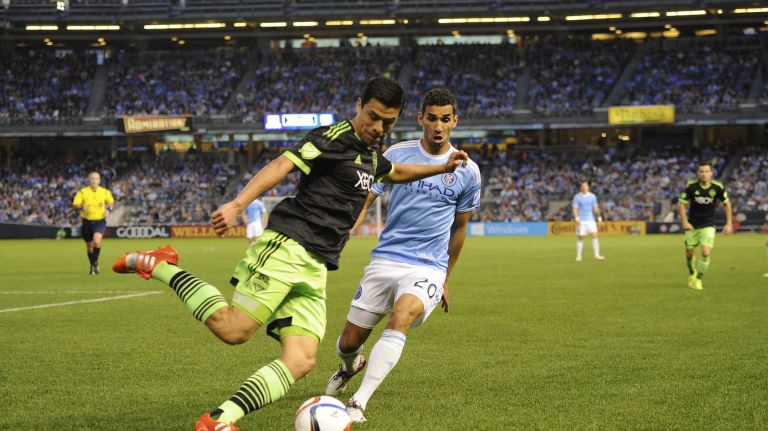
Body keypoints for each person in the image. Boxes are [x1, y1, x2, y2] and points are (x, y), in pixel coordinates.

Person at [111, 78, 469, 431]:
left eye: (388, 122)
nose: (379, 128)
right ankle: (158, 265)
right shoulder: (332, 137)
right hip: (288, 245)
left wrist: (443, 167)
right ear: (359, 105)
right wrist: (238, 204)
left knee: (301, 360)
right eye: (373, 117)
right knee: (234, 329)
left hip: (316, 265)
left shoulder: (372, 154)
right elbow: (283, 165)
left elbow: (397, 171)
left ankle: (218, 421)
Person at [325, 88, 481, 423]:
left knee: (401, 318)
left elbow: (460, 229)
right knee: (347, 342)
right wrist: (350, 227)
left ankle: (358, 402)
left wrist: (445, 279)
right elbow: (370, 193)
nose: (438, 126)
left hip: (428, 267)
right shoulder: (398, 153)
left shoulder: (469, 171)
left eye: (445, 119)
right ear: (421, 118)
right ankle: (350, 366)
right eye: (432, 118)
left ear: (454, 121)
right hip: (386, 258)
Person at [678, 161, 733, 290]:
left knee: (706, 252)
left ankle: (699, 279)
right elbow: (681, 204)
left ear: (711, 173)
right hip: (692, 225)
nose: (704, 174)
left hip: (708, 225)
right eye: (701, 171)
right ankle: (692, 273)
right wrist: (685, 222)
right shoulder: (691, 187)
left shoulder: (717, 187)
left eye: (706, 171)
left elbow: (727, 204)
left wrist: (729, 223)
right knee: (690, 253)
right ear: (698, 173)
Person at [72, 171, 115, 275]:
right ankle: (93, 265)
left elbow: (111, 202)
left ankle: (94, 264)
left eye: (96, 179)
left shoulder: (104, 192)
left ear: (99, 180)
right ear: (89, 180)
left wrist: (108, 210)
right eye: (92, 179)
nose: (94, 181)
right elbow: (75, 204)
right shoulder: (82, 192)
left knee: (96, 241)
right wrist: (82, 207)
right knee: (89, 246)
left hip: (99, 221)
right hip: (86, 221)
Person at [572, 181, 605, 262]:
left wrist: (599, 218)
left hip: (591, 219)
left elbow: (595, 208)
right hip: (581, 220)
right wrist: (576, 218)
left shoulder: (593, 196)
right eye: (582, 186)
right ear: (581, 187)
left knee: (595, 235)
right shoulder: (577, 197)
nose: (584, 188)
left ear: (588, 187)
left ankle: (597, 255)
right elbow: (575, 208)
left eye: (585, 186)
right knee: (581, 238)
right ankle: (579, 256)